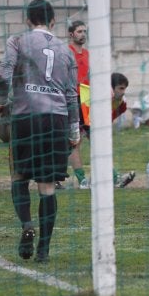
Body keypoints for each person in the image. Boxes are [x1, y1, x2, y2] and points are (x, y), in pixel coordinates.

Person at [0, 0, 80, 262]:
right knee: (47, 187)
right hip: (55, 121)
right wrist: (74, 130)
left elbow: (4, 76)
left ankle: (26, 225)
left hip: (25, 119)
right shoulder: (66, 51)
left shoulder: (17, 41)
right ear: (53, 22)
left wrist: (1, 103)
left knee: (19, 177)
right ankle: (44, 250)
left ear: (27, 20)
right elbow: (72, 95)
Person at [78, 72, 136, 188]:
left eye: (124, 89)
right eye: (121, 88)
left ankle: (111, 178)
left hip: (92, 122)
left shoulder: (121, 103)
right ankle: (81, 180)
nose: (123, 91)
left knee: (100, 149)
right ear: (111, 87)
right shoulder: (98, 95)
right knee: (72, 147)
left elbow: (109, 116)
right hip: (79, 115)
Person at [56, 20, 89, 189]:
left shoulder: (88, 54)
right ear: (71, 34)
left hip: (86, 100)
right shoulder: (65, 53)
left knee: (92, 138)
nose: (83, 34)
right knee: (71, 140)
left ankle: (112, 176)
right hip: (69, 100)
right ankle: (80, 178)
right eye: (79, 31)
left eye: (84, 31)